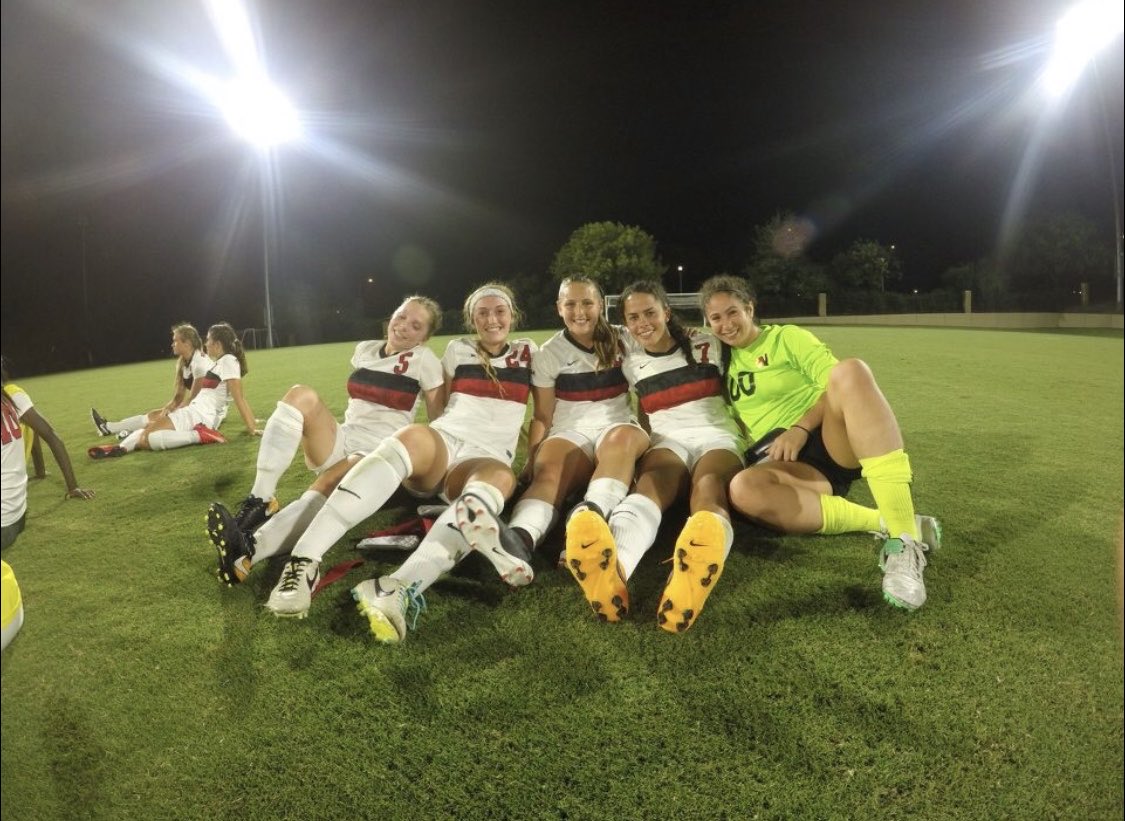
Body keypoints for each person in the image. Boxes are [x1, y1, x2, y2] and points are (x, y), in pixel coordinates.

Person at [262, 283, 537, 636]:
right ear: (471, 319)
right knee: (413, 436)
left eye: (499, 311)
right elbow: (443, 407)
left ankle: (396, 587)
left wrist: (535, 460)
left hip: (488, 455)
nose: (491, 319)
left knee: (495, 484)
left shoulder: (532, 353)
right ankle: (303, 563)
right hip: (447, 440)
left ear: (513, 314)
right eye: (482, 312)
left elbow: (543, 413)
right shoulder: (456, 350)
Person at [698, 274, 940, 611]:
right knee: (742, 489)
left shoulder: (786, 339)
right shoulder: (719, 363)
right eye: (716, 318)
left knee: (851, 371)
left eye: (732, 312)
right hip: (787, 462)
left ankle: (904, 540)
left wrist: (799, 428)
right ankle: (885, 521)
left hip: (826, 435)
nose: (726, 324)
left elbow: (835, 385)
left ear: (750, 309)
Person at [208, 296, 446, 586]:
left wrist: (438, 478)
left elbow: (439, 423)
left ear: (425, 336)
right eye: (401, 316)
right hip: (344, 438)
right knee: (300, 394)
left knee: (327, 484)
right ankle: (261, 499)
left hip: (379, 454)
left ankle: (247, 553)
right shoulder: (365, 350)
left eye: (416, 325)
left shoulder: (425, 361)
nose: (404, 326)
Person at [564, 280, 746, 633]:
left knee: (708, 488)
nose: (642, 322)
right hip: (667, 441)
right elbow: (646, 411)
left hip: (717, 438)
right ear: (626, 324)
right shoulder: (630, 361)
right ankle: (614, 573)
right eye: (633, 317)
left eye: (650, 312)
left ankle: (691, 582)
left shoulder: (709, 343)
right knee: (646, 490)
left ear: (666, 311)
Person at [500, 276, 649, 558]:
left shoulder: (625, 338)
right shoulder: (549, 353)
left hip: (617, 426)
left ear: (601, 305)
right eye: (570, 304)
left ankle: (587, 527)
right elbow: (543, 414)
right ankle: (518, 541)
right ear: (559, 308)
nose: (579, 312)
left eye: (587, 303)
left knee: (621, 438)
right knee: (549, 472)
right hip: (570, 431)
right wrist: (533, 459)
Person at [88, 322, 259, 458]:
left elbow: (239, 398)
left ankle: (202, 435)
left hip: (200, 415)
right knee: (149, 436)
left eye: (208, 339)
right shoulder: (220, 362)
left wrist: (251, 427)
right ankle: (120, 448)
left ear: (218, 343)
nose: (205, 343)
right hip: (197, 412)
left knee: (148, 437)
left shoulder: (228, 360)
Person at [2, 361, 95, 550]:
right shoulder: (10, 397)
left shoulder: (12, 395)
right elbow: (45, 434)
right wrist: (70, 485)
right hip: (17, 515)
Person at [90, 323, 211, 439]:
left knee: (165, 419)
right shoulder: (183, 362)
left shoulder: (199, 364)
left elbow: (194, 400)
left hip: (210, 411)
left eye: (175, 341)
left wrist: (171, 414)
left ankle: (131, 433)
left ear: (187, 343)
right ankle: (108, 427)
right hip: (200, 407)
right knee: (154, 414)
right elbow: (179, 397)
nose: (172, 344)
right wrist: (168, 409)